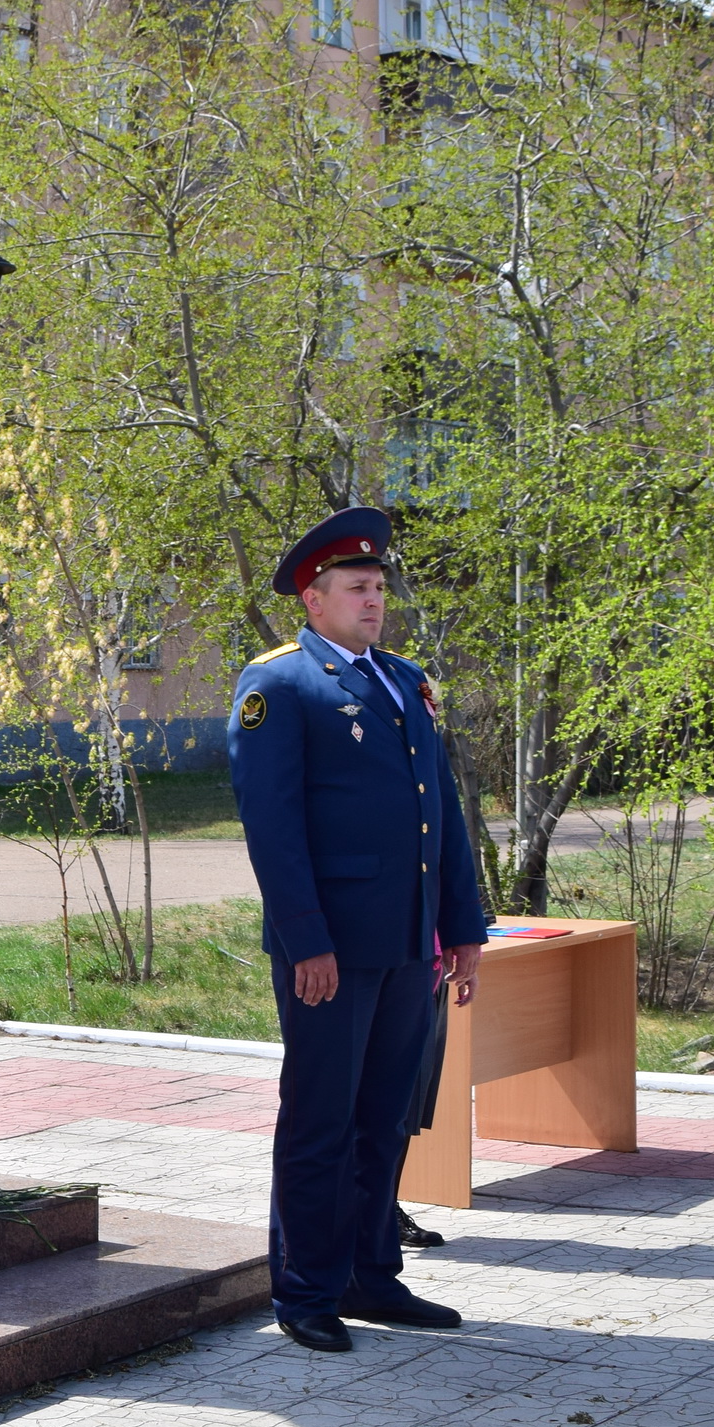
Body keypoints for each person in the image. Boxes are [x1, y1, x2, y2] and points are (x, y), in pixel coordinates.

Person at [227, 507, 488, 1354]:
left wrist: (461, 926)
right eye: (356, 588)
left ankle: (370, 1272)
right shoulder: (280, 684)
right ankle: (304, 1288)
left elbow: (439, 811)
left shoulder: (403, 680)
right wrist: (306, 940)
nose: (374, 601)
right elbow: (273, 825)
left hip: (409, 940)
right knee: (320, 1117)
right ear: (314, 597)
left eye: (378, 587)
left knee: (384, 1116)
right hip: (330, 950)